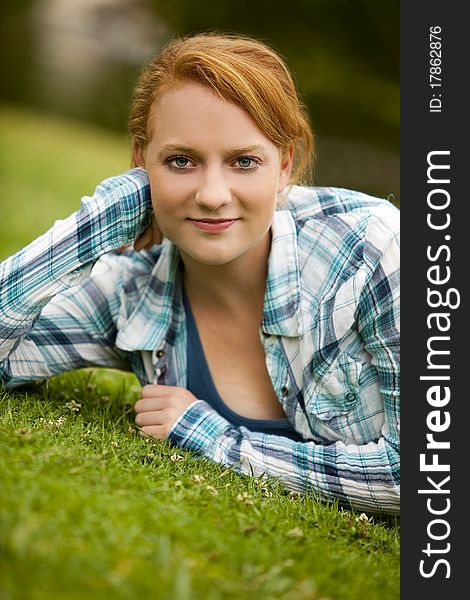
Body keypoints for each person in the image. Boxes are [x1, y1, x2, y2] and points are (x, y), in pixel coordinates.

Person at [0, 33, 400, 515]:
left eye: (244, 161)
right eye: (181, 161)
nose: (212, 194)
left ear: (285, 166)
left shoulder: (374, 249)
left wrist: (212, 437)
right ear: (140, 163)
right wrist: (101, 221)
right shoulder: (131, 287)